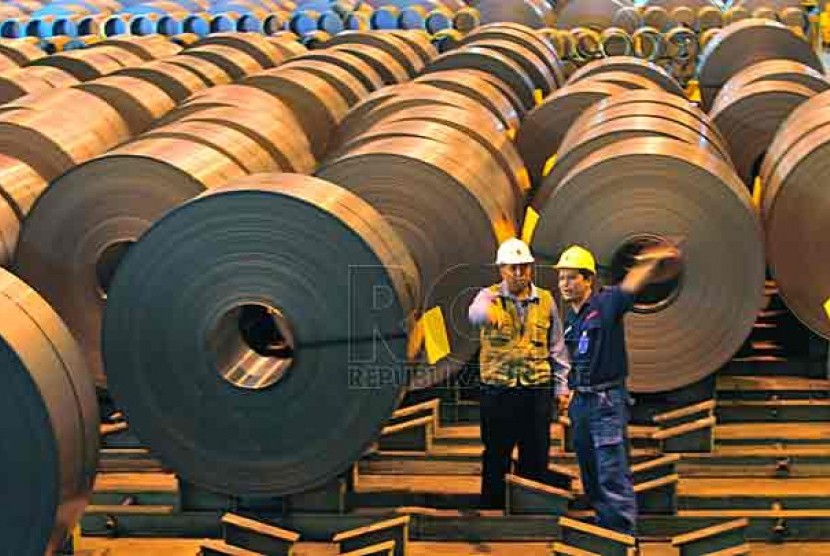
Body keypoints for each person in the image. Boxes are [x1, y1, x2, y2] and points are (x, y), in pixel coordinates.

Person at [554, 243, 681, 536]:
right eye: (562, 278)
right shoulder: (572, 319)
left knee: (610, 469)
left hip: (606, 402)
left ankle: (622, 537)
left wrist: (652, 261)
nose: (565, 284)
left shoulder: (605, 304)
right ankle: (605, 528)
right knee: (589, 470)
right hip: (582, 401)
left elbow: (630, 287)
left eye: (573, 277)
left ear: (589, 280)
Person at [468, 237, 570, 510]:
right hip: (498, 391)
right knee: (496, 454)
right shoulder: (488, 296)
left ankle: (530, 509)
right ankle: (492, 508)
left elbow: (557, 347)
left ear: (531, 268)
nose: (518, 273)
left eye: (523, 267)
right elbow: (475, 314)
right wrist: (487, 313)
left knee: (535, 453)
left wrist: (561, 388)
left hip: (535, 390)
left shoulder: (546, 301)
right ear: (501, 269)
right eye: (512, 268)